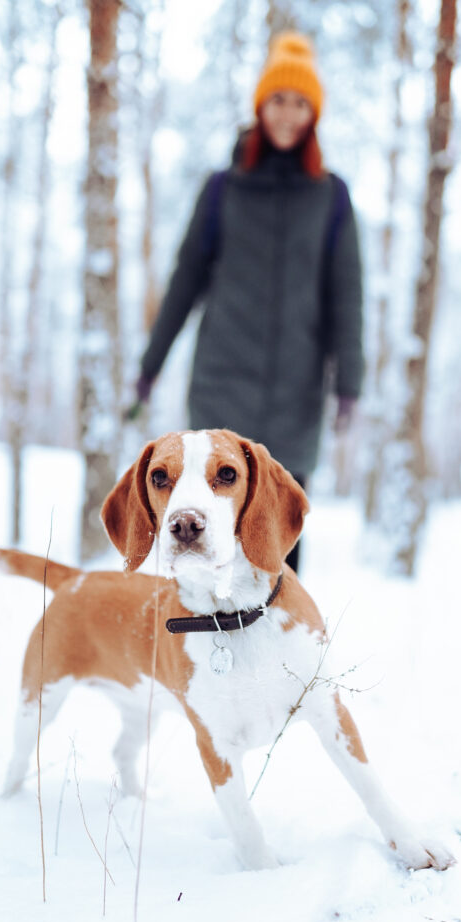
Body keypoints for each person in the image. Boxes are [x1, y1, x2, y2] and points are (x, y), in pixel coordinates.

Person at [129, 31, 364, 573]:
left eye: (300, 103)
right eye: (278, 100)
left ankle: (278, 651)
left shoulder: (331, 197)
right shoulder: (222, 190)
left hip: (296, 389)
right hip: (221, 380)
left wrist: (349, 383)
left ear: (313, 114)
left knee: (278, 531)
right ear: (261, 105)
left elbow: (346, 294)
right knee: (204, 526)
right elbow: (185, 280)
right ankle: (206, 649)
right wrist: (150, 367)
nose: (287, 114)